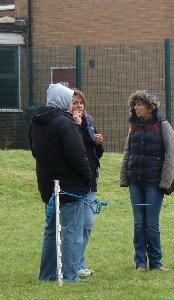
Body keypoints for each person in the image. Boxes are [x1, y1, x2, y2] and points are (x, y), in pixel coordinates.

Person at [30, 83, 92, 282]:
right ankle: (70, 275)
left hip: (47, 185)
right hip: (70, 186)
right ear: (63, 100)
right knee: (71, 232)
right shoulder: (65, 123)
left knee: (51, 230)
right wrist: (87, 177)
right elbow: (78, 155)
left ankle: (47, 274)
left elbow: (34, 152)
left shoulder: (36, 122)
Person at [119, 90, 174, 272]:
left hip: (154, 182)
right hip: (135, 181)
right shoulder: (134, 126)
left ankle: (156, 262)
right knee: (138, 223)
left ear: (150, 107)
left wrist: (165, 182)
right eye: (134, 104)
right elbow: (128, 151)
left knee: (152, 224)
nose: (135, 108)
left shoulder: (163, 125)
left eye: (139, 104)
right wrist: (124, 176)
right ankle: (140, 263)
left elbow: (171, 155)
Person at [69, 89, 105, 276]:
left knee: (88, 224)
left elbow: (94, 153)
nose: (79, 105)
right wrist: (76, 125)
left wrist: (98, 144)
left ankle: (79, 261)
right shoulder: (67, 123)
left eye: (81, 102)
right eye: (75, 102)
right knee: (75, 226)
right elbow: (74, 149)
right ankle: (75, 265)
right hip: (75, 183)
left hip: (90, 182)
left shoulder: (88, 122)